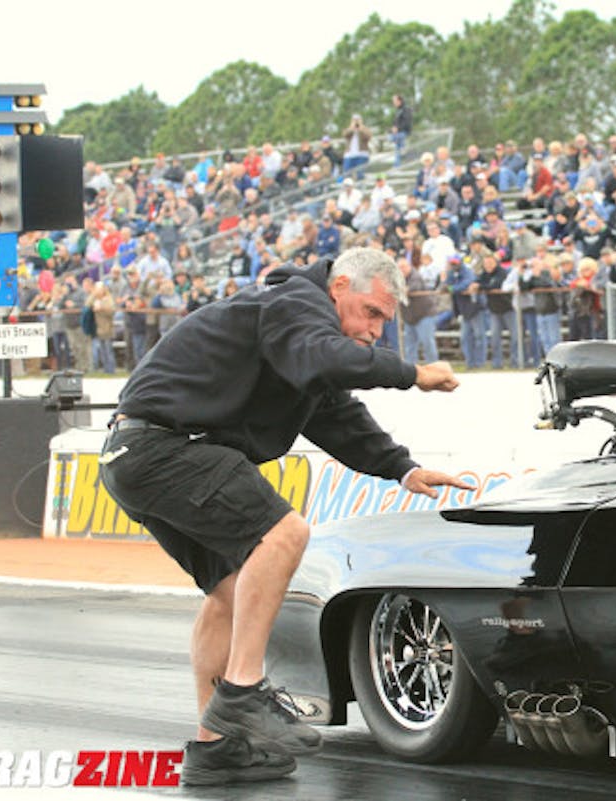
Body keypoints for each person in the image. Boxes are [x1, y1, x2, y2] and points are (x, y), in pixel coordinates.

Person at [98, 249, 467, 786]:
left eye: (384, 320)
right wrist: (414, 373)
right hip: (166, 448)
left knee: (228, 593)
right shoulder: (295, 303)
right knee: (285, 533)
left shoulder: (299, 341)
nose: (374, 330)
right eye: (371, 313)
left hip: (134, 455)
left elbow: (335, 414)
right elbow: (327, 361)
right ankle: (242, 695)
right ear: (338, 285)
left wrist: (403, 469)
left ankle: (215, 746)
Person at [389, 95, 412, 169]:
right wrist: (392, 129)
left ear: (399, 101)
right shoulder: (397, 111)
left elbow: (407, 122)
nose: (394, 103)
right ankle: (397, 164)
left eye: (395, 101)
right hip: (398, 133)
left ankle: (404, 153)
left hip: (403, 132)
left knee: (393, 140)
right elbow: (394, 123)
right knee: (397, 147)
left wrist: (398, 128)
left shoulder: (406, 109)